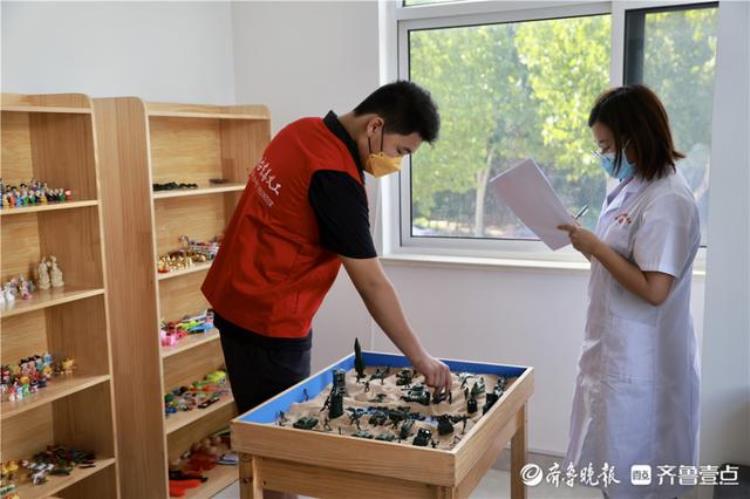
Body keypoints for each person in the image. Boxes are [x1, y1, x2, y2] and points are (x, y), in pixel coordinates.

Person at [202, 80, 451, 417]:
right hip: (268, 322)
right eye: (401, 151)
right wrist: (420, 358)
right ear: (374, 126)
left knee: (252, 416)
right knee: (276, 433)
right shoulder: (335, 177)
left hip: (233, 298)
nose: (396, 163)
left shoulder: (301, 130)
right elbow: (372, 283)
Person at [558, 85, 700, 499]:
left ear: (634, 138)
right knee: (615, 474)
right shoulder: (632, 188)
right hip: (616, 353)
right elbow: (620, 264)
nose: (603, 155)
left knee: (640, 480)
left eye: (606, 146)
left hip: (645, 365)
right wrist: (588, 247)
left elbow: (655, 290)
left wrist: (597, 247)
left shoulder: (668, 200)